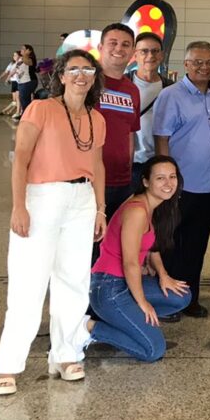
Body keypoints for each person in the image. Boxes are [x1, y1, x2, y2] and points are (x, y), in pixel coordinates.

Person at [0, 50, 107, 395]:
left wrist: (100, 208)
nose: (81, 76)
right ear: (60, 75)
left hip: (82, 200)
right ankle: (9, 365)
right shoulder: (40, 109)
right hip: (42, 198)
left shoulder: (96, 118)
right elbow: (21, 159)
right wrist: (19, 206)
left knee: (73, 281)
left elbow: (97, 165)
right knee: (29, 282)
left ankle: (66, 354)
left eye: (87, 70)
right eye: (74, 70)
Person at [152, 41, 210, 318]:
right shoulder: (170, 95)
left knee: (197, 246)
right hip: (181, 186)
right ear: (186, 64)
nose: (204, 67)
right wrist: (166, 182)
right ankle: (168, 302)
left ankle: (191, 299)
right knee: (172, 244)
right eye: (197, 62)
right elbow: (161, 139)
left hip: (209, 187)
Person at [87, 155, 190, 361]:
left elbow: (151, 246)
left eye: (172, 176)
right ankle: (86, 328)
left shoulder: (151, 206)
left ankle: (127, 321)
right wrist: (142, 302)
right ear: (145, 181)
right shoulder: (137, 211)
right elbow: (131, 262)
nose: (168, 183)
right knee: (153, 350)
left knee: (181, 295)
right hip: (109, 287)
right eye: (160, 178)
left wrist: (163, 275)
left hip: (123, 283)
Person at [93, 25, 141, 239]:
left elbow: (130, 132)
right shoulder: (87, 83)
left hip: (122, 182)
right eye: (113, 43)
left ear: (132, 52)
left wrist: (128, 173)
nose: (119, 49)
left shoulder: (132, 90)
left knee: (114, 245)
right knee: (88, 245)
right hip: (90, 181)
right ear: (101, 47)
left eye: (125, 45)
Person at [131, 32, 169, 186]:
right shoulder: (124, 84)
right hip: (131, 164)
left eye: (155, 51)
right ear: (135, 55)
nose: (150, 56)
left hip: (159, 162)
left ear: (162, 55)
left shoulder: (171, 88)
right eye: (144, 51)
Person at [13, 44, 37, 121]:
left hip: (29, 81)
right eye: (21, 48)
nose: (21, 50)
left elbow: (27, 62)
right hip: (21, 82)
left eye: (23, 49)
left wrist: (25, 55)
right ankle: (25, 114)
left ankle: (27, 115)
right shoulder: (21, 59)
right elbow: (16, 68)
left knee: (25, 99)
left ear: (29, 51)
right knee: (23, 99)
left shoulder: (30, 58)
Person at [0, 50, 21, 116]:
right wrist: (0, 78)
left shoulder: (20, 63)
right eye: (13, 55)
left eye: (16, 55)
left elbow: (15, 72)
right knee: (14, 100)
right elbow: (6, 72)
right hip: (13, 82)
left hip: (18, 82)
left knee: (17, 99)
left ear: (20, 56)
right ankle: (10, 111)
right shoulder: (11, 64)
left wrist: (8, 78)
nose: (14, 56)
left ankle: (6, 110)